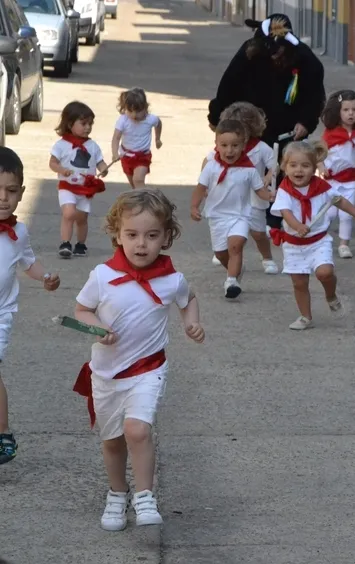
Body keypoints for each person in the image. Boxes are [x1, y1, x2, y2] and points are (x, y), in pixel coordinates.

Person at [72, 189, 204, 531]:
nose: (141, 244)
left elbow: (189, 299)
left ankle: (145, 496)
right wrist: (97, 327)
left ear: (166, 237)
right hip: (106, 374)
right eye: (132, 235)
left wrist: (191, 322)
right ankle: (117, 493)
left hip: (148, 369)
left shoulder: (172, 280)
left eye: (151, 235)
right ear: (118, 234)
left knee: (138, 429)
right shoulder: (102, 276)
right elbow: (81, 310)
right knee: (112, 440)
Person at [0, 147, 61, 466]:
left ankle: (2, 434)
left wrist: (45, 276)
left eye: (11, 191)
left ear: (22, 193)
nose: (3, 198)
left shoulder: (18, 232)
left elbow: (28, 262)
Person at [270, 141, 355, 330]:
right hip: (294, 244)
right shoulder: (284, 190)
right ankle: (305, 316)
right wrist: (297, 226)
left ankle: (331, 295)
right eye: (293, 165)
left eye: (305, 165)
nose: (299, 170)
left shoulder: (322, 187)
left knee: (325, 273)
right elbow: (285, 212)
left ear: (314, 167)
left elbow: (339, 201)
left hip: (318, 241)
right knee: (299, 283)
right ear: (284, 167)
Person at [209, 14, 325, 146]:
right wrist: (216, 117)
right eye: (269, 51)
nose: (274, 57)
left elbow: (314, 96)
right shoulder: (249, 52)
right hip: (252, 124)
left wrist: (306, 122)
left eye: (278, 51)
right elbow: (228, 85)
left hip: (288, 128)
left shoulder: (305, 60)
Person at [190, 120, 273, 299]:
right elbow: (200, 188)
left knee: (236, 245)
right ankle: (236, 269)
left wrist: (270, 196)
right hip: (217, 217)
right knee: (221, 254)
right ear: (216, 144)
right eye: (224, 145)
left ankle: (231, 281)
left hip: (240, 216)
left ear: (243, 145)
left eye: (235, 145)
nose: (229, 150)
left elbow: (260, 190)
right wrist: (194, 206)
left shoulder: (249, 170)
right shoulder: (212, 167)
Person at [204, 102, 279, 274]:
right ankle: (225, 252)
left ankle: (267, 257)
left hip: (254, 197)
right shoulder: (223, 148)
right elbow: (208, 161)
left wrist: (268, 177)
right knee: (227, 227)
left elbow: (274, 165)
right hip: (229, 197)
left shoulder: (260, 148)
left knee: (258, 233)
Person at [50, 101, 109, 259]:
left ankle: (81, 244)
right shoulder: (61, 145)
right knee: (69, 213)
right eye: (83, 124)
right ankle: (65, 243)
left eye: (90, 124)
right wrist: (61, 170)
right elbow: (52, 163)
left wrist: (103, 168)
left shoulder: (93, 146)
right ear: (70, 124)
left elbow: (99, 161)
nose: (88, 127)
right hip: (67, 187)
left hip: (85, 190)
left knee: (82, 218)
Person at [320, 90, 355, 259]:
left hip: (349, 181)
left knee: (346, 214)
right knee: (329, 213)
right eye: (346, 110)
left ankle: (344, 244)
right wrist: (321, 166)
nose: (351, 113)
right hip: (330, 181)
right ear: (338, 111)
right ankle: (320, 239)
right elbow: (318, 154)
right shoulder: (329, 135)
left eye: (354, 110)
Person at [112, 88, 162, 190]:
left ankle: (148, 197)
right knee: (134, 185)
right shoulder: (123, 120)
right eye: (130, 111)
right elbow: (116, 138)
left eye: (138, 111)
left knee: (138, 180)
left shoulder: (150, 119)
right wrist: (115, 153)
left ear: (145, 107)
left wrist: (158, 138)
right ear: (125, 108)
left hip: (143, 156)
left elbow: (158, 124)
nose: (134, 115)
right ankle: (140, 196)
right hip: (126, 156)